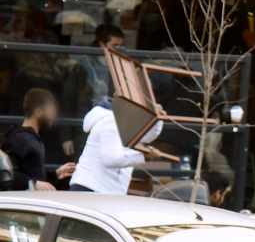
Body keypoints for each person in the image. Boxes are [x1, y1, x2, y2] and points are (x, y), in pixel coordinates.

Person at [69, 97, 163, 193]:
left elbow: (146, 135)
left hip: (102, 190)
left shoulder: (123, 121)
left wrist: (157, 118)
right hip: (91, 188)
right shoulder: (111, 121)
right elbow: (109, 158)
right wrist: (143, 157)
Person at [61, 24, 124, 159]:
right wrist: (66, 137)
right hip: (83, 132)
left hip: (109, 134)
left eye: (121, 46)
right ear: (102, 44)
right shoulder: (82, 68)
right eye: (114, 46)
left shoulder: (121, 70)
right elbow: (68, 102)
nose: (118, 50)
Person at [2, 89, 74, 190]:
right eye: (50, 111)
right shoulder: (21, 140)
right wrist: (32, 183)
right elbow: (6, 172)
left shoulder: (31, 138)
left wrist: (55, 174)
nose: (54, 115)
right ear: (39, 112)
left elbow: (32, 173)